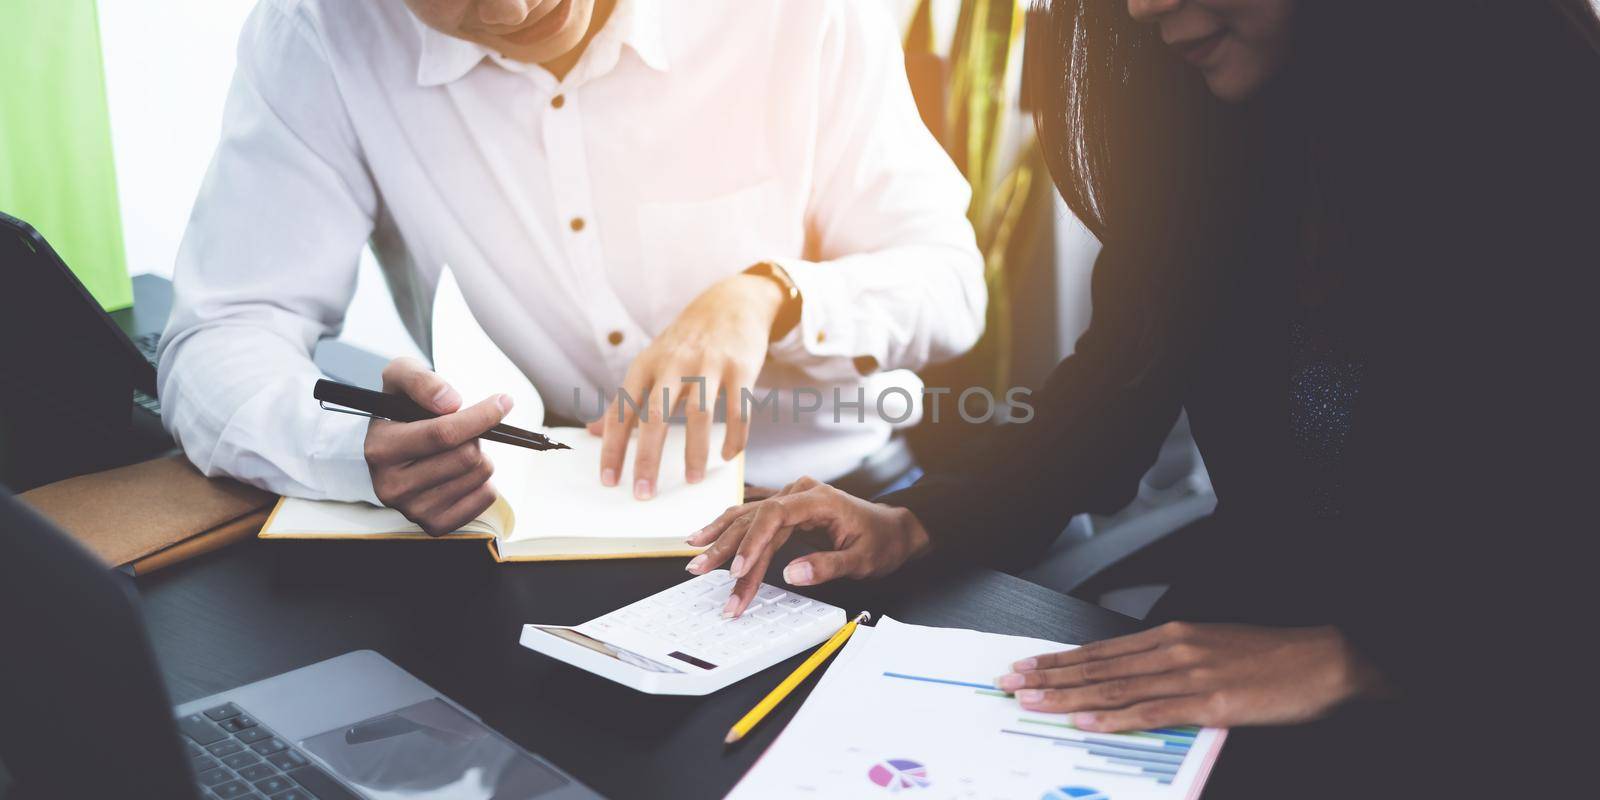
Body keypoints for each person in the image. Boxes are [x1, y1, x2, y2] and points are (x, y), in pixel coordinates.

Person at [687, 0, 1599, 793]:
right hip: (1237, 637)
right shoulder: (1221, 132)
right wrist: (917, 520)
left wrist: (1363, 654)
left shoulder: (1557, 139)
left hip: (1496, 671)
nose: (1145, 7)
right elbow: (1113, 386)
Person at [158, 0, 984, 534]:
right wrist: (343, 449)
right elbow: (226, 328)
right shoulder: (322, 33)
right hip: (536, 525)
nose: (516, 7)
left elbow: (950, 284)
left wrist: (772, 295)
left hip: (828, 506)